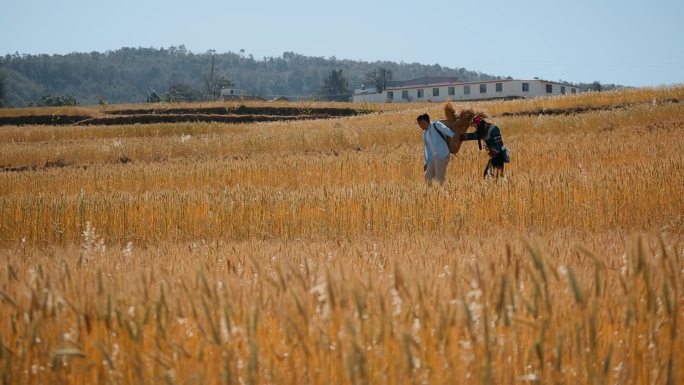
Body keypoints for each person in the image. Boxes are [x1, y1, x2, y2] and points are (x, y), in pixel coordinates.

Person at [417, 113, 456, 185]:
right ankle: (429, 194)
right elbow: (426, 149)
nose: (419, 126)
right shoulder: (424, 133)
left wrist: (453, 135)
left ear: (423, 122)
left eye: (419, 124)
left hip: (441, 155)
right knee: (427, 176)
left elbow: (445, 129)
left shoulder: (436, 125)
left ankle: (443, 193)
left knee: (439, 178)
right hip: (432, 158)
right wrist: (426, 162)